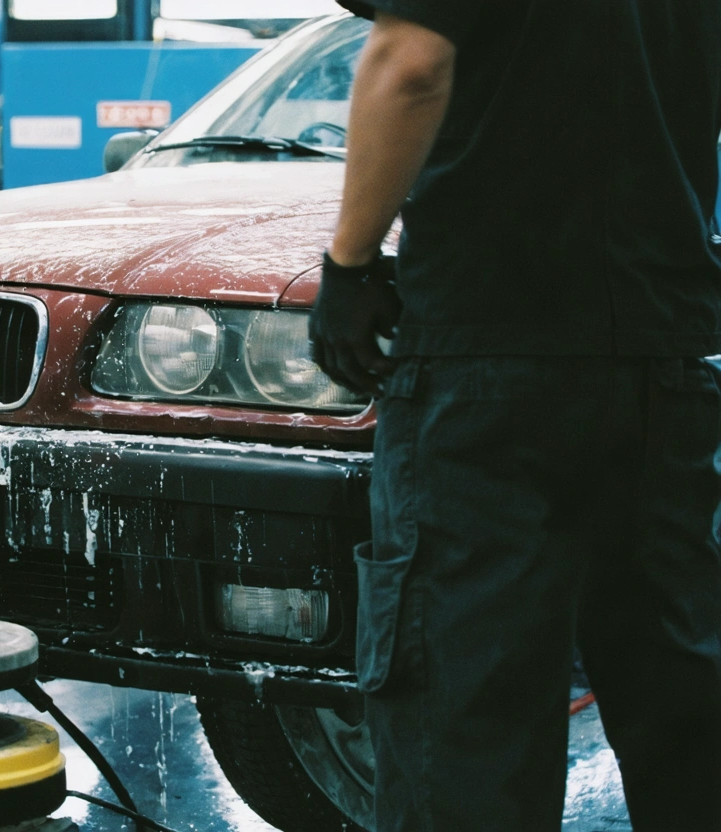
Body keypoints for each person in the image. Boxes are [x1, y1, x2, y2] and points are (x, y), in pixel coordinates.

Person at [309, 2, 721, 830]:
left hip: (488, 355)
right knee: (686, 714)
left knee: (466, 716)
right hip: (661, 352)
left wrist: (349, 264)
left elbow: (412, 62)